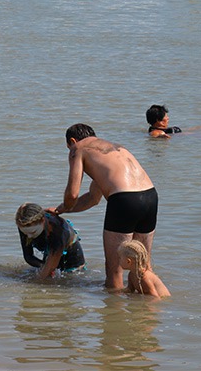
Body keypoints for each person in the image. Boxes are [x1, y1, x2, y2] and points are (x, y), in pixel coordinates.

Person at [50, 123, 159, 290]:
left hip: (124, 200)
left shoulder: (78, 148)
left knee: (114, 270)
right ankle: (150, 307)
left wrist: (64, 206)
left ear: (72, 141)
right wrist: (61, 209)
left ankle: (115, 313)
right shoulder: (112, 149)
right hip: (150, 196)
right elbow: (93, 198)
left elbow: (72, 195)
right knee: (141, 265)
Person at [15, 202, 85, 279]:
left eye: (33, 232)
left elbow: (44, 275)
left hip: (72, 260)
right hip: (50, 250)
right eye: (25, 233)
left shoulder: (57, 232)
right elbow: (28, 256)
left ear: (42, 221)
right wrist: (42, 265)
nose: (29, 236)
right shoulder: (24, 223)